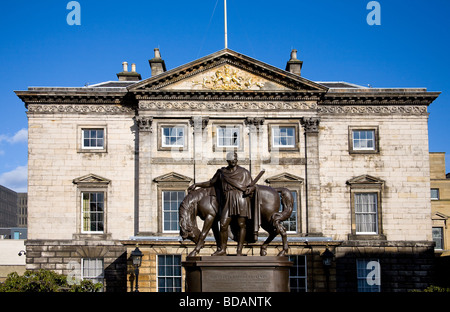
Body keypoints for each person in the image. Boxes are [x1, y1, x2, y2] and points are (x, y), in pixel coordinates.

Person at [188, 152, 255, 255]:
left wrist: (250, 190)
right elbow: (210, 183)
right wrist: (197, 184)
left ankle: (239, 251)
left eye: (235, 159)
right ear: (228, 161)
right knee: (223, 224)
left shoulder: (244, 172)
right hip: (228, 199)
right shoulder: (222, 173)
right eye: (232, 159)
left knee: (241, 224)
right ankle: (223, 249)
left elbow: (252, 186)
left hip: (241, 199)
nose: (234, 161)